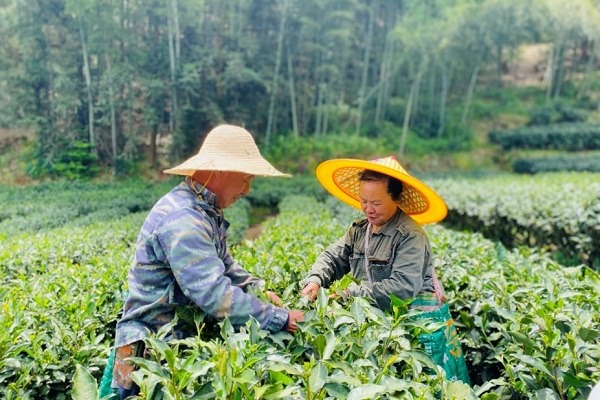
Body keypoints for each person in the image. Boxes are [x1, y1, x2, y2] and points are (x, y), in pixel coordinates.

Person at [111, 124, 304, 398]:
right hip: (150, 354)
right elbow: (214, 293)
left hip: (174, 347)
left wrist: (258, 289)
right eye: (246, 178)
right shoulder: (183, 219)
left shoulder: (204, 210)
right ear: (223, 170)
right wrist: (280, 318)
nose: (247, 190)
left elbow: (225, 266)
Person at [299, 156, 470, 384]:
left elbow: (402, 288)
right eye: (364, 201)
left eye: (376, 203)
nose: (368, 209)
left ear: (396, 198)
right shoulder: (360, 230)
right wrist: (315, 279)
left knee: (428, 385)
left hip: (415, 325)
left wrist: (350, 294)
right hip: (381, 323)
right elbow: (333, 256)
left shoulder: (410, 235)